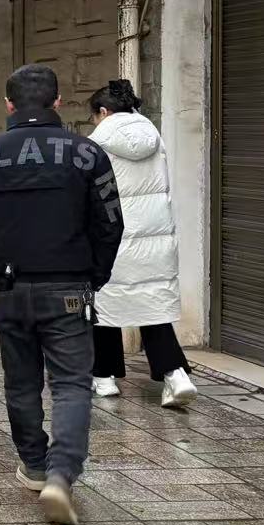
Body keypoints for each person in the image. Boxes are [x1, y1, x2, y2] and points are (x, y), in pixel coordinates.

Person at [0, 63, 124, 525]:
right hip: (69, 287)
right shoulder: (87, 154)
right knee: (71, 384)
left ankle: (33, 464)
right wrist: (95, 275)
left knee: (21, 381)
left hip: (11, 288)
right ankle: (61, 474)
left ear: (9, 104)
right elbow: (110, 222)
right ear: (58, 102)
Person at [86, 79, 197, 409]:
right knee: (152, 307)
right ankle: (175, 375)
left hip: (113, 239)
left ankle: (104, 377)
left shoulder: (96, 143)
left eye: (94, 116)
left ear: (103, 112)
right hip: (155, 238)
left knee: (103, 306)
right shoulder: (153, 135)